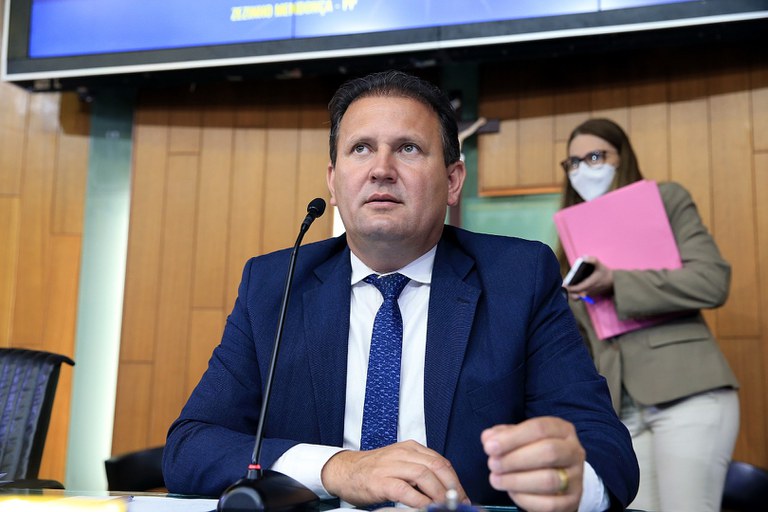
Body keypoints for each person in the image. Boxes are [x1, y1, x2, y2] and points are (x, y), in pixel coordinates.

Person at [163, 71, 639, 512]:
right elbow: (190, 446)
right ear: (333, 182)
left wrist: (574, 483)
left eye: (408, 148)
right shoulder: (274, 284)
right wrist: (339, 468)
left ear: (452, 181)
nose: (381, 169)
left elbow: (606, 448)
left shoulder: (518, 277)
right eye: (361, 149)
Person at [557, 118, 740, 512]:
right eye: (573, 162)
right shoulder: (570, 235)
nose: (583, 170)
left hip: (687, 390)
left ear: (622, 158)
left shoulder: (665, 199)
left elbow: (712, 280)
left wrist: (616, 281)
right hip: (620, 409)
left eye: (595, 157)